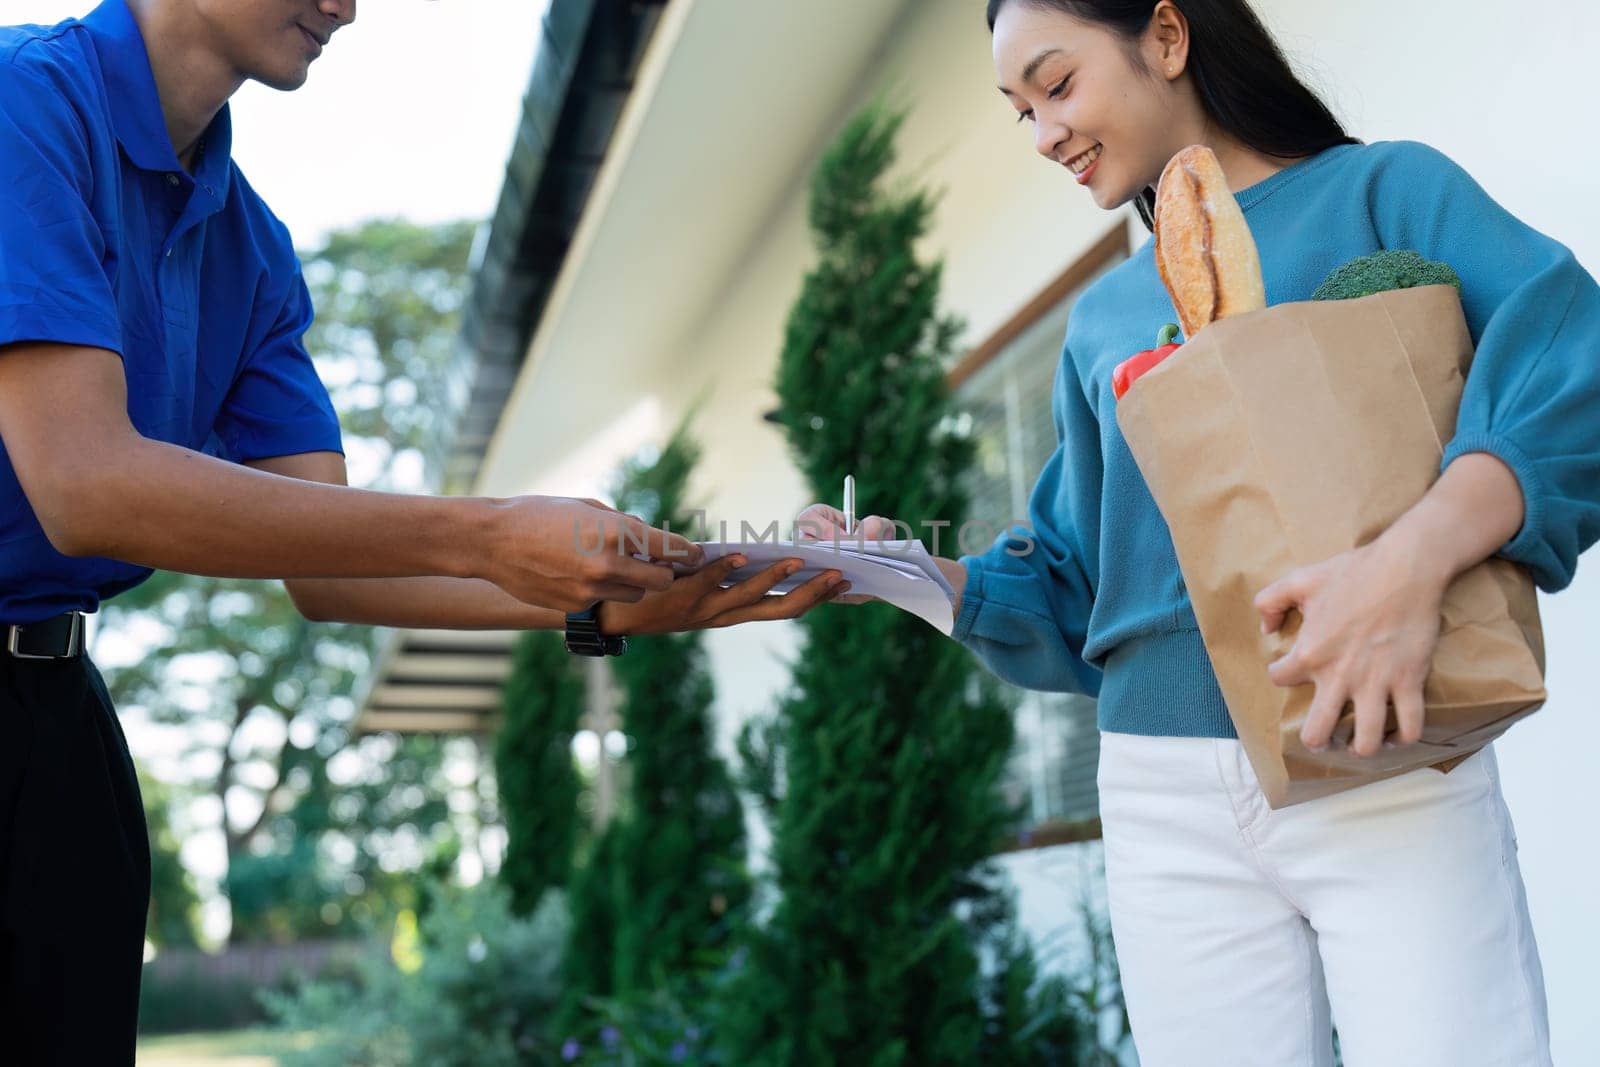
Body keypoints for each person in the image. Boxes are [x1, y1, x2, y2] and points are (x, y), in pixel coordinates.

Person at [0, 1, 849, 1062]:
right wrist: (491, 533)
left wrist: (608, 602)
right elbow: (85, 482)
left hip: (56, 717)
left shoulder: (252, 247)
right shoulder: (22, 98)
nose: (347, 7)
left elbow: (335, 575)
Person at [802, 1, 1600, 1063]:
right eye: (1019, 113)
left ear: (1167, 37)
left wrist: (1414, 558)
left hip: (1381, 739)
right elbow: (1082, 582)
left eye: (1055, 84)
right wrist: (913, 574)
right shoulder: (1105, 318)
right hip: (1158, 792)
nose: (1042, 132)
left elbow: (1571, 353)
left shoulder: (1383, 193)